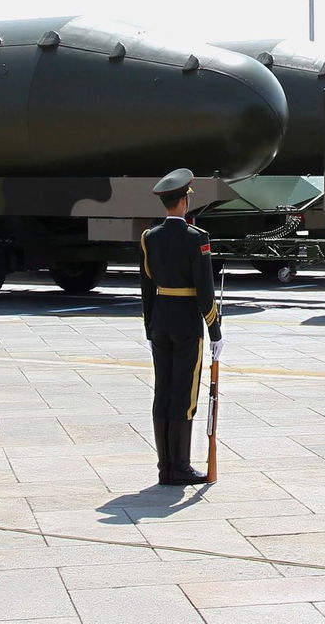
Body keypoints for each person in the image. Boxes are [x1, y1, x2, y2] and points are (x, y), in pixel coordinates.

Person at [139, 168, 222, 486]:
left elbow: (146, 288)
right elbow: (205, 290)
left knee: (163, 392)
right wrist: (215, 332)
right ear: (185, 202)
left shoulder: (150, 238)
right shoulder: (197, 239)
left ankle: (166, 467)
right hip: (187, 322)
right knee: (184, 395)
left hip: (160, 321)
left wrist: (150, 328)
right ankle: (182, 467)